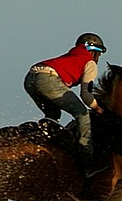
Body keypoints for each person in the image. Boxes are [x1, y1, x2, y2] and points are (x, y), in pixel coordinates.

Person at [24, 32, 106, 175]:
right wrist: (97, 107)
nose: (98, 59)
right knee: (82, 113)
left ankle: (46, 138)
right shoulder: (89, 62)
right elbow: (86, 95)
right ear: (92, 52)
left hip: (30, 78)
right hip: (47, 79)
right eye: (98, 54)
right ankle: (87, 161)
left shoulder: (71, 57)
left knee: (53, 114)